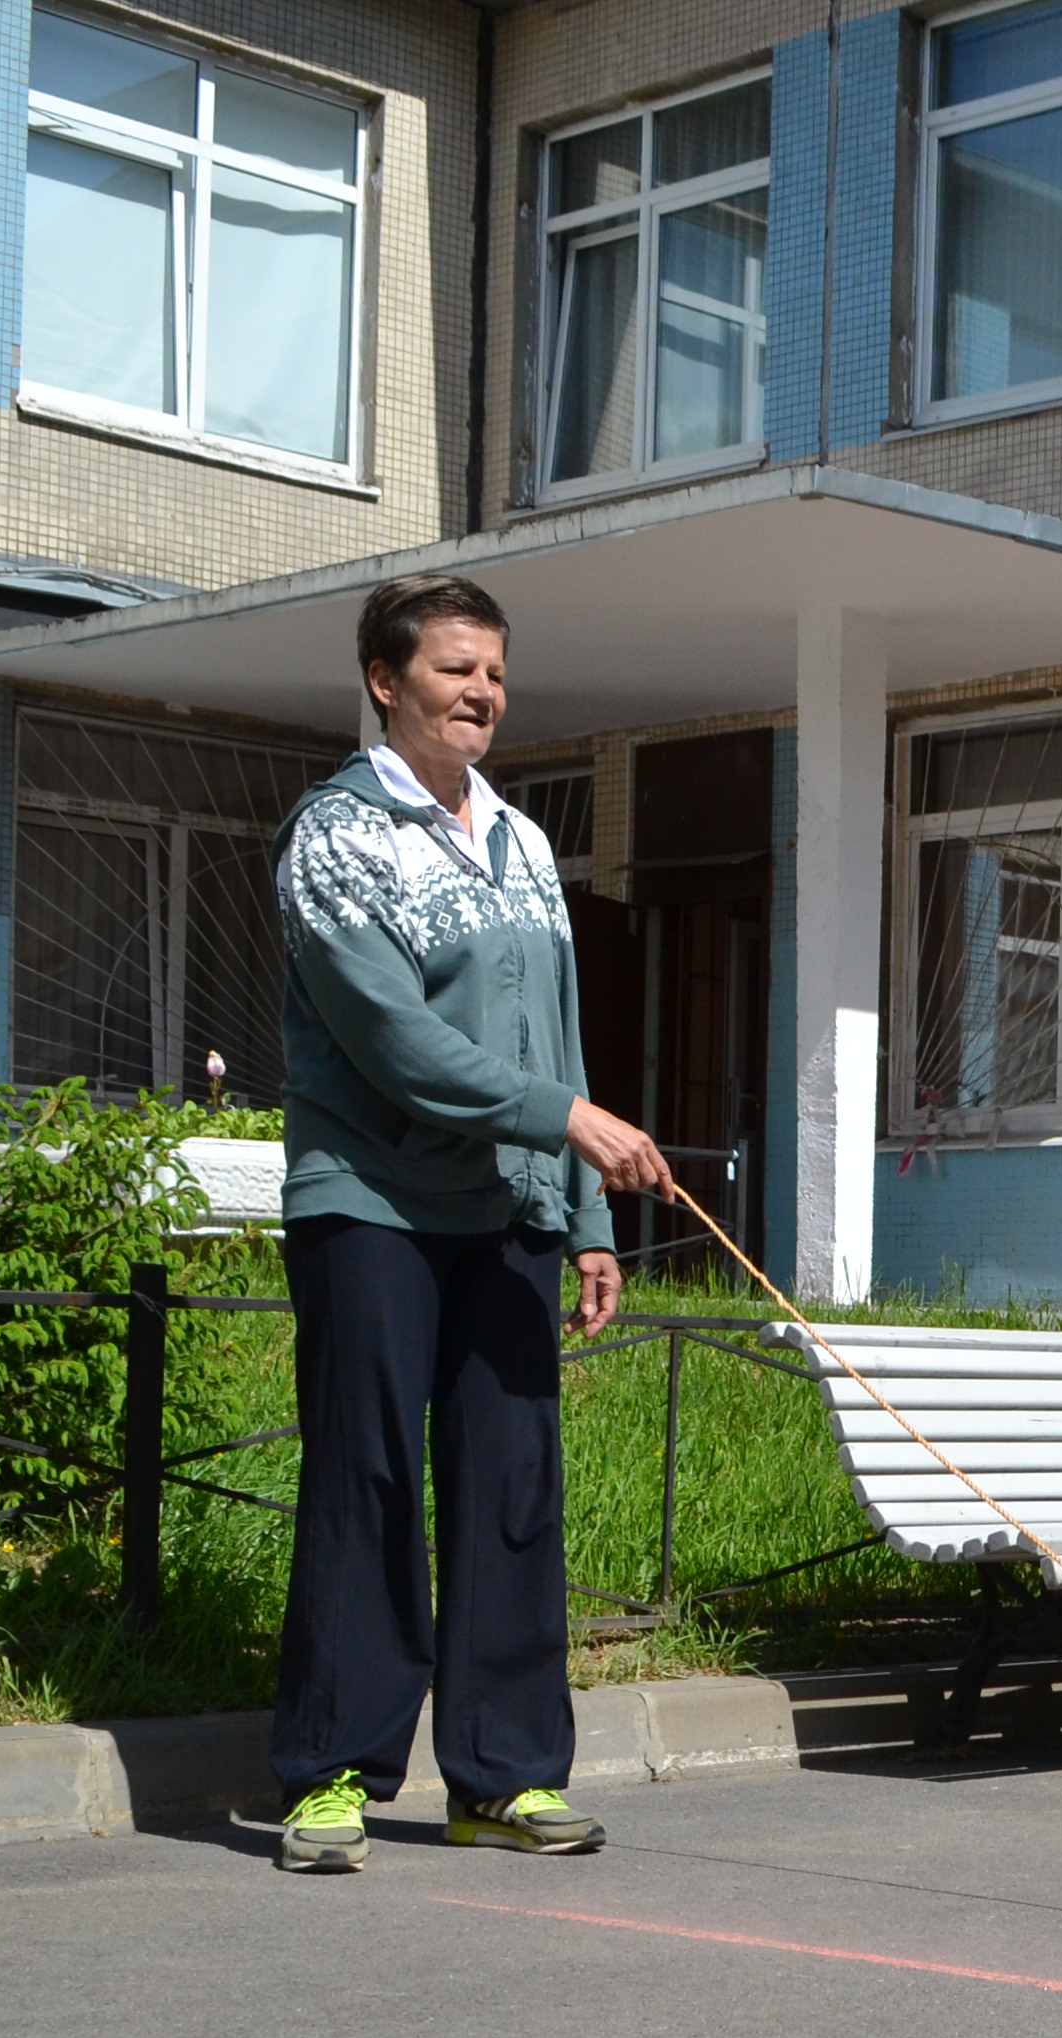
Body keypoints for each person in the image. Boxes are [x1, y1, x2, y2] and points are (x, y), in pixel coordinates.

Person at [266, 573, 674, 1875]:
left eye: (495, 672)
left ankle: (503, 1777)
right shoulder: (336, 836)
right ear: (386, 681)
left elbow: (556, 1035)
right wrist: (567, 1119)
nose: (482, 694)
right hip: (373, 1203)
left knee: (511, 1490)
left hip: (511, 1205)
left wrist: (589, 1214)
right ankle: (333, 1774)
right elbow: (393, 1043)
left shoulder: (522, 841)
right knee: (369, 1481)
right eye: (455, 669)